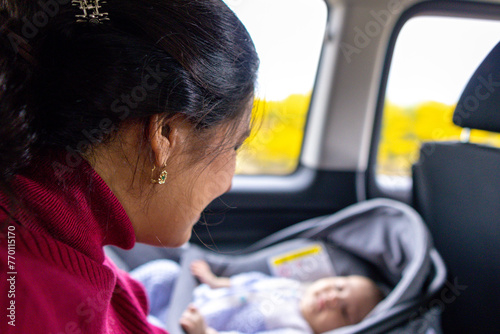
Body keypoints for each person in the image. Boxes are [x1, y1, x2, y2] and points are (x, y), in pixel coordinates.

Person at [0, 0, 259, 333]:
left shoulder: (54, 224)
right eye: (233, 146)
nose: (229, 182)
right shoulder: (26, 300)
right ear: (165, 135)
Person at [131, 260, 385, 334]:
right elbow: (253, 283)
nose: (332, 299)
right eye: (338, 287)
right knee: (166, 272)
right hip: (199, 299)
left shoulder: (295, 330)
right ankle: (109, 293)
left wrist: (204, 333)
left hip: (191, 325)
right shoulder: (292, 287)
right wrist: (216, 282)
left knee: (154, 329)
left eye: (343, 312)